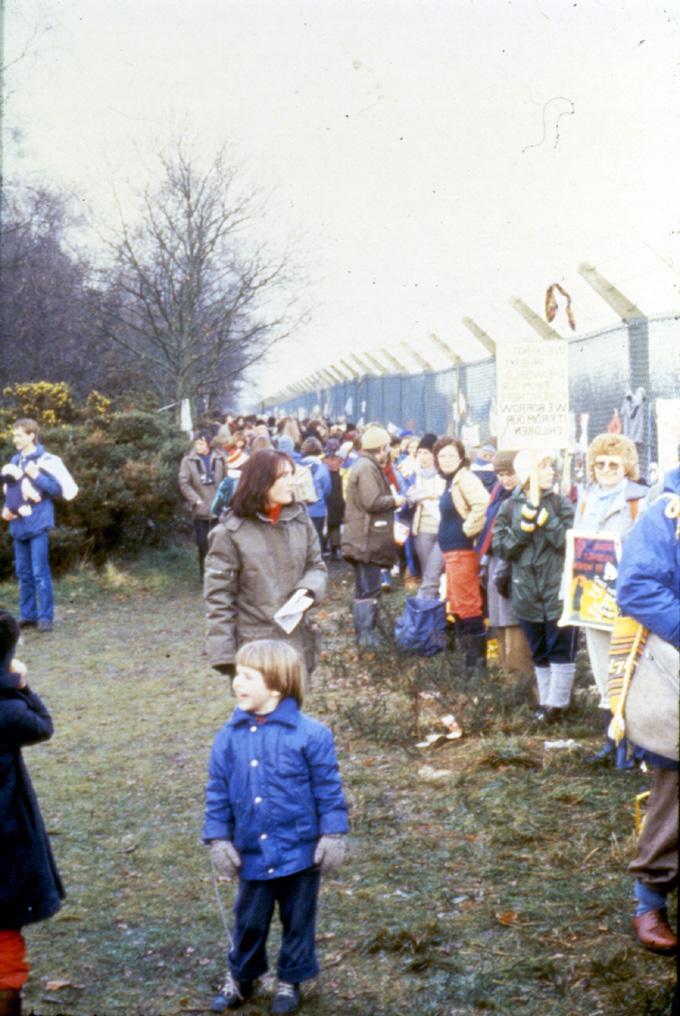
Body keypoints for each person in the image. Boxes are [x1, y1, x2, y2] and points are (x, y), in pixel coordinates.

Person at [203, 639, 348, 1014]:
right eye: (237, 674)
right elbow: (217, 791)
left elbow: (328, 789)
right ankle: (243, 976)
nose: (237, 682)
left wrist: (332, 834)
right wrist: (219, 839)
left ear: (277, 686)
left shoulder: (312, 734)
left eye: (248, 676)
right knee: (249, 920)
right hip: (251, 850)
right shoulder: (228, 737)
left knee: (298, 920)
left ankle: (290, 980)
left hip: (300, 850)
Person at [616, 466, 679, 956]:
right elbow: (637, 586)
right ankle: (650, 900)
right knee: (674, 789)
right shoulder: (666, 514)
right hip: (675, 671)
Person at [204, 450, 327, 689]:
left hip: (295, 643)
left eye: (292, 474)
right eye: (283, 476)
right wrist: (224, 656)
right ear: (261, 482)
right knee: (262, 710)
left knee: (292, 710)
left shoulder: (300, 520)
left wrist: (308, 590)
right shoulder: (230, 533)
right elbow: (219, 598)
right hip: (255, 648)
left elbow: (316, 566)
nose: (292, 482)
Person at [0, 609, 65, 1016]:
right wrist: (20, 685)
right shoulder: (9, 711)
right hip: (6, 837)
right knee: (4, 932)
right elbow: (43, 725)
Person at [574, 434, 648, 767]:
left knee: (627, 669)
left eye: (614, 464)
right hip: (592, 597)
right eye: (600, 463)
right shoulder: (586, 499)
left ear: (627, 467)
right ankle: (611, 742)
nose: (606, 469)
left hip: (626, 597)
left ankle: (633, 746)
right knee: (602, 669)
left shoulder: (639, 500)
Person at [492, 449, 576, 721]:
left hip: (556, 591)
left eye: (551, 466)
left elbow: (571, 544)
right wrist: (521, 531)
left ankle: (558, 706)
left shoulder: (561, 504)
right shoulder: (508, 507)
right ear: (528, 473)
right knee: (539, 650)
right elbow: (501, 549)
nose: (551, 472)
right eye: (543, 467)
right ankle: (546, 704)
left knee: (559, 648)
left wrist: (548, 522)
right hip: (526, 592)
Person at [1, 419, 78, 634]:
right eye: (14, 435)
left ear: (31, 436)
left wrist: (37, 475)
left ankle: (45, 617)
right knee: (23, 572)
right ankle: (28, 615)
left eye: (19, 435)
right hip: (18, 524)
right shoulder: (14, 461)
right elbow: (11, 491)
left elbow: (58, 490)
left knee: (40, 572)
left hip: (39, 523)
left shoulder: (47, 460)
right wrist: (6, 509)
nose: (15, 439)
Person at [341, 425, 406, 644]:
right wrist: (395, 500)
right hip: (366, 540)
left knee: (364, 591)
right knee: (369, 591)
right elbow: (372, 501)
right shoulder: (368, 468)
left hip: (361, 539)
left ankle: (365, 638)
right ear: (381, 448)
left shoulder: (363, 464)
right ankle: (368, 641)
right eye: (386, 447)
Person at [433, 437, 490, 675]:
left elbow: (483, 504)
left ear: (460, 458)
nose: (446, 460)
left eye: (451, 455)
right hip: (451, 553)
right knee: (456, 605)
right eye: (442, 456)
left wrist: (468, 529)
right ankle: (467, 666)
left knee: (468, 606)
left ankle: (476, 671)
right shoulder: (449, 481)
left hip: (462, 552)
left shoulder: (465, 479)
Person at [476, 450, 533, 681]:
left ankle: (520, 682)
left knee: (514, 622)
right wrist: (484, 561)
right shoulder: (498, 494)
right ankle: (508, 676)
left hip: (512, 564)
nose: (505, 479)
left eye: (510, 474)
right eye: (500, 474)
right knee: (499, 621)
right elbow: (488, 531)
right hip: (494, 561)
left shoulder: (526, 498)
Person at [178, 431, 227, 580]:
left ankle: (220, 573)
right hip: (200, 508)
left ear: (208, 444)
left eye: (201, 443)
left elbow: (228, 479)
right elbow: (184, 483)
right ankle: (204, 574)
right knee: (202, 543)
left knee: (220, 542)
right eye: (196, 443)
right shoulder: (188, 460)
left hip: (218, 507)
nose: (198, 446)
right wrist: (195, 499)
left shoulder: (220, 457)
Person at [404, 434, 444, 578]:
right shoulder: (413, 476)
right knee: (427, 569)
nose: (423, 457)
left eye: (426, 453)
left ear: (435, 455)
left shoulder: (444, 474)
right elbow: (405, 507)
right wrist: (409, 497)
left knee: (441, 569)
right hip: (422, 528)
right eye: (420, 453)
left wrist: (438, 497)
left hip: (442, 526)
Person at [299, 439, 332, 549]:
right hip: (318, 508)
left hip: (301, 508)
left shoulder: (298, 467)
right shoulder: (323, 468)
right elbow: (327, 489)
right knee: (317, 536)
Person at [321, 439, 345, 561]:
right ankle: (334, 551)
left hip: (325, 496)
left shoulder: (322, 462)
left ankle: (323, 546)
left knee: (322, 523)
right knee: (335, 524)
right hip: (339, 496)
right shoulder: (342, 461)